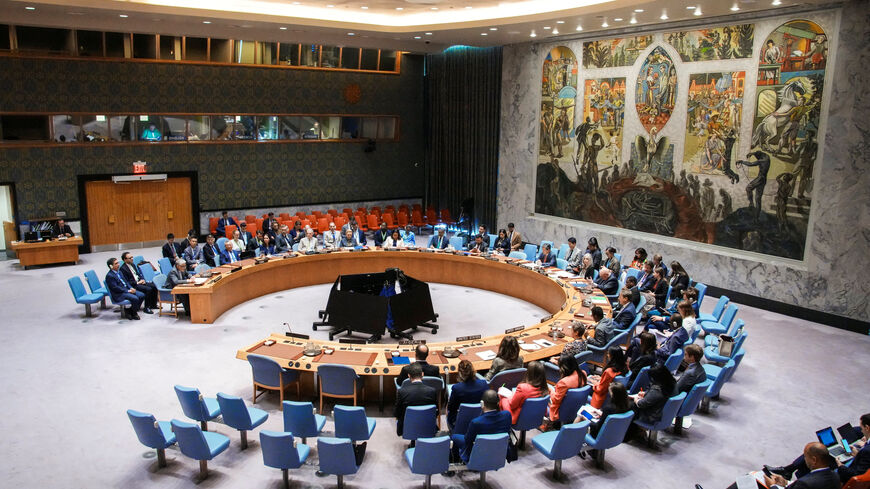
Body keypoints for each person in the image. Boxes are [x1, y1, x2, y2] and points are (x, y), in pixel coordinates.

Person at [763, 414, 870, 485]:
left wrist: (840, 465)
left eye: (862, 427)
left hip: (842, 473)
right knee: (815, 455)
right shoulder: (866, 448)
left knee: (817, 452)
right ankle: (788, 473)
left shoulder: (867, 451)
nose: (860, 429)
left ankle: (789, 475)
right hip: (850, 463)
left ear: (867, 428)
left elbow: (855, 474)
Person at [718, 442, 842, 489]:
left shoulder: (805, 484)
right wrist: (785, 484)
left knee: (747, 480)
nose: (805, 460)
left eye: (805, 457)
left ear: (814, 460)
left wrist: (773, 485)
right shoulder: (836, 477)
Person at [452, 389, 511, 463]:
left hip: (480, 453)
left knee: (454, 437)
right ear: (498, 403)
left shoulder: (476, 422)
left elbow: (467, 441)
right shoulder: (507, 415)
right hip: (499, 454)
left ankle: (455, 463)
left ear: (482, 403)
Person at [394, 362, 438, 437]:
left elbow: (397, 414)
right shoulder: (432, 391)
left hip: (406, 427)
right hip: (427, 425)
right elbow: (436, 413)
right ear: (422, 374)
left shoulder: (402, 392)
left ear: (408, 376)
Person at [546, 353, 586, 427]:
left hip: (560, 410)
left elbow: (555, 399)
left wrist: (550, 390)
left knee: (544, 388)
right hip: (576, 407)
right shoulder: (583, 374)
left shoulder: (564, 382)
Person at [446, 359, 488, 429]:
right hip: (480, 418)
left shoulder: (457, 388)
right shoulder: (483, 384)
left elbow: (451, 408)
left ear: (460, 373)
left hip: (460, 422)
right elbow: (488, 403)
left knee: (448, 409)